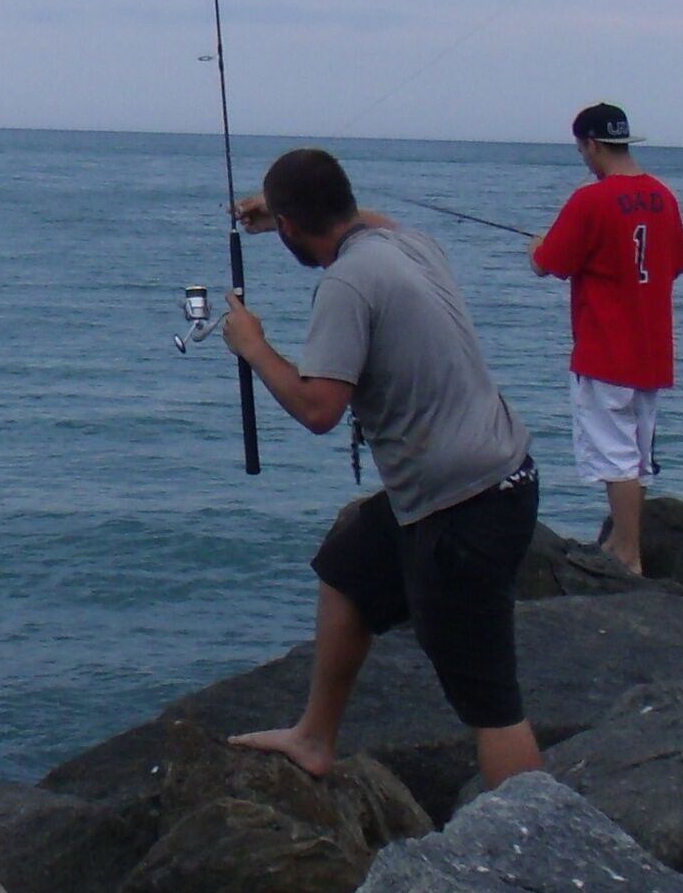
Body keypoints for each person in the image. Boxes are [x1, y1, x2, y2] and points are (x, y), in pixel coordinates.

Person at [219, 147, 548, 792]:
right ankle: (314, 737)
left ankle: (539, 844)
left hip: (462, 508)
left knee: (490, 703)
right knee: (350, 564)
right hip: (495, 474)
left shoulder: (345, 284)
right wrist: (282, 210)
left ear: (288, 225)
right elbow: (366, 219)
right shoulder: (409, 245)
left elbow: (319, 409)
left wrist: (254, 347)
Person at [528, 103, 683, 575]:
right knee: (638, 453)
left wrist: (534, 248)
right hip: (653, 350)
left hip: (605, 350)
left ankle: (626, 552)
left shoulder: (590, 200)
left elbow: (547, 263)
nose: (583, 157)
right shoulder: (664, 196)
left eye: (582, 148)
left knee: (615, 455)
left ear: (592, 145)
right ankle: (625, 541)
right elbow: (675, 263)